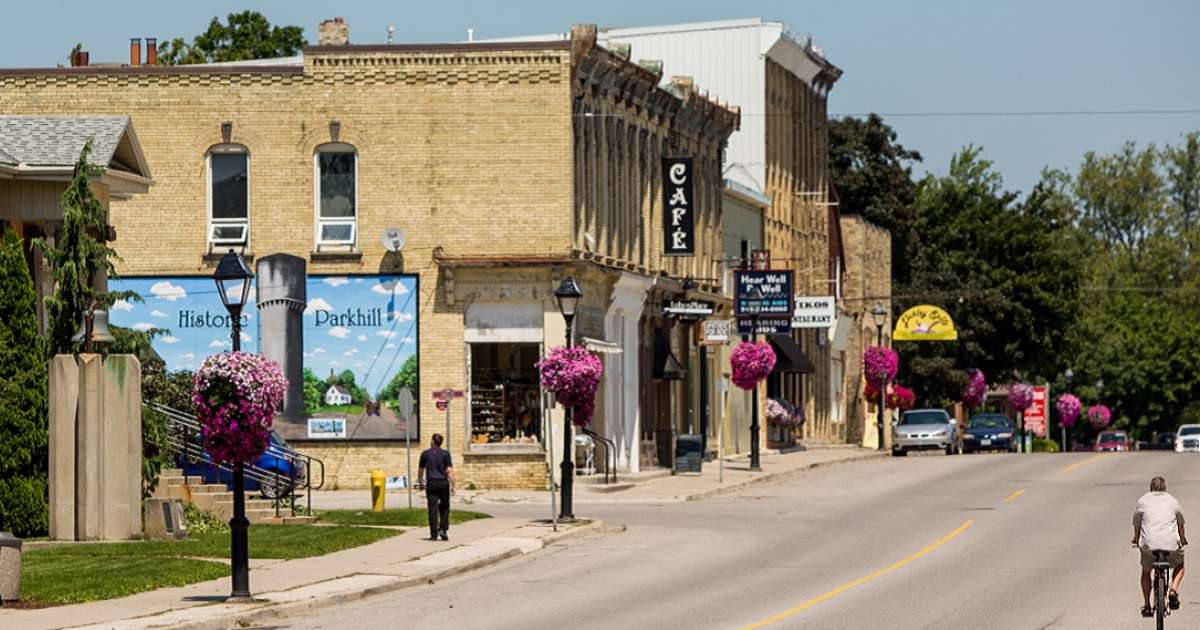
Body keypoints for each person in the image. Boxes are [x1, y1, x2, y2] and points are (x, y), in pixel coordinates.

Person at [1133, 476, 1187, 617]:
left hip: (1149, 546)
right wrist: (1182, 539)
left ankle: (1147, 605)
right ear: (1165, 488)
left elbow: (1137, 523)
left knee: (1146, 571)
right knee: (1180, 564)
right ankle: (1173, 589)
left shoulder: (1142, 501)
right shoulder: (1172, 501)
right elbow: (1181, 523)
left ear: (1150, 488)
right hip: (1170, 545)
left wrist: (1136, 539)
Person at [418, 433, 455, 541]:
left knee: (432, 508)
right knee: (444, 507)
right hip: (443, 483)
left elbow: (421, 470)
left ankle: (434, 533)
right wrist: (453, 485)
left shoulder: (425, 454)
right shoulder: (445, 454)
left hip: (432, 483)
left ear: (433, 442)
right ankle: (443, 529)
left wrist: (420, 482)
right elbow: (449, 471)